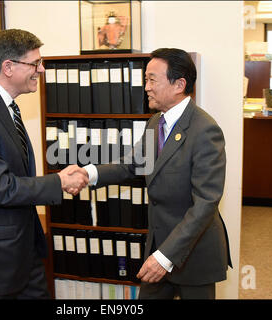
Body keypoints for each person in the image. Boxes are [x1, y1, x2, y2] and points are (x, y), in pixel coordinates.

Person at [0, 29, 88, 299]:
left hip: (22, 251)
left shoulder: (5, 105)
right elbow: (0, 188)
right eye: (35, 64)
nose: (41, 69)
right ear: (8, 67)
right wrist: (59, 182)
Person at [81, 48, 232, 299]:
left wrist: (165, 257)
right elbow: (130, 165)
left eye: (152, 79)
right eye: (145, 79)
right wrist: (87, 174)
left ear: (179, 84)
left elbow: (205, 203)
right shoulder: (155, 122)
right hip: (159, 247)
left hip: (193, 254)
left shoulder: (205, 130)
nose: (146, 87)